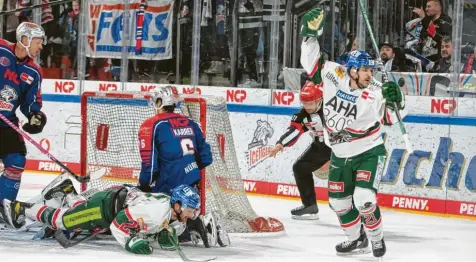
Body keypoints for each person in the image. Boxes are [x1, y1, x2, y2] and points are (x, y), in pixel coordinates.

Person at [299, 8, 407, 259]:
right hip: (339, 153)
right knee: (338, 203)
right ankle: (356, 239)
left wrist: (398, 99)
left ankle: (377, 239)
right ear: (352, 71)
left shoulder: (377, 90)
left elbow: (393, 117)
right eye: (366, 70)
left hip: (369, 151)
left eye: (372, 70)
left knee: (364, 199)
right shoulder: (334, 74)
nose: (371, 74)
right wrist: (309, 36)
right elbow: (311, 63)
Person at [2, 180, 201, 255]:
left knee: (80, 214)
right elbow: (118, 225)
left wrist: (160, 237)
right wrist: (131, 241)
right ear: (177, 204)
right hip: (103, 208)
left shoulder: (173, 215)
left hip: (113, 201)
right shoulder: (156, 212)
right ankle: (21, 208)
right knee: (63, 221)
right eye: (190, 209)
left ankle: (69, 192)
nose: (192, 214)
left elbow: (153, 229)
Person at [137, 86, 214, 247]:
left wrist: (143, 186)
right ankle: (194, 221)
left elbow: (150, 168)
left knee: (141, 210)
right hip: (192, 185)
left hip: (168, 185)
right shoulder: (192, 123)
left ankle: (179, 229)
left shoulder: (151, 125)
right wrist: (187, 167)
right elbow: (206, 158)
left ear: (159, 102)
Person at [0, 22, 47, 218]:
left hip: (5, 122)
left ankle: (4, 208)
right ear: (25, 40)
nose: (41, 46)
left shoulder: (34, 72)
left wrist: (36, 116)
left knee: (16, 161)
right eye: (38, 41)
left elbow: (31, 103)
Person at [269, 81, 331, 220]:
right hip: (320, 146)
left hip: (341, 146)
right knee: (300, 167)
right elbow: (294, 131)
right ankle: (310, 206)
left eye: (311, 103)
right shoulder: (302, 115)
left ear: (319, 101)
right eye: (305, 103)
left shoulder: (331, 108)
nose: (307, 107)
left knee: (343, 183)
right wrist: (280, 144)